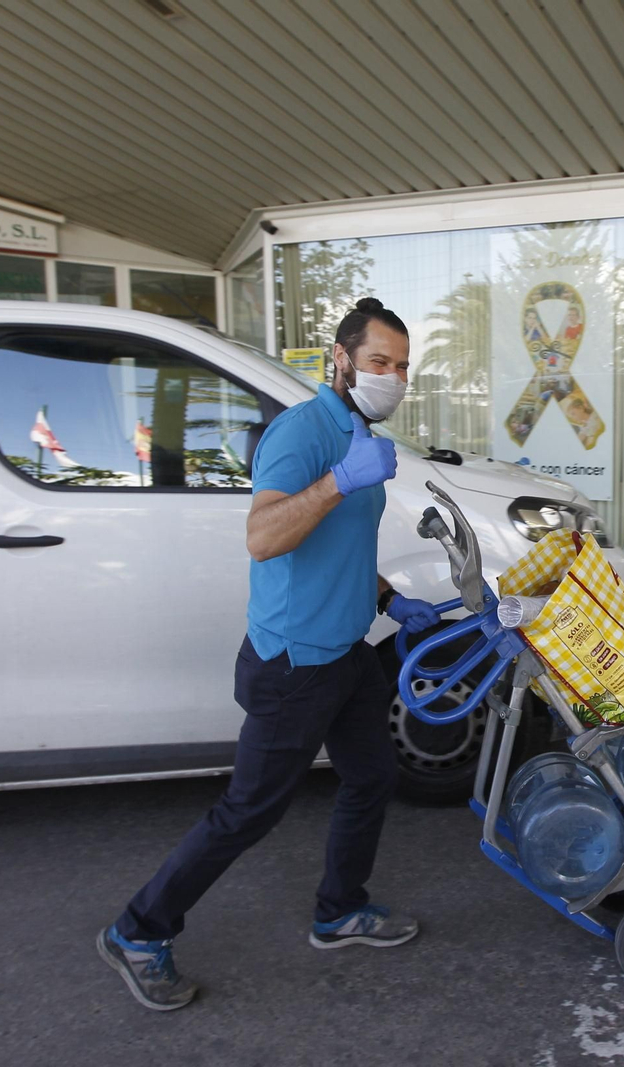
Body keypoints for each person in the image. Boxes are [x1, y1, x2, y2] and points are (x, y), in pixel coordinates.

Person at [98, 297, 442, 1011]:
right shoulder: (302, 432)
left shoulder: (356, 432)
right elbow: (263, 536)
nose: (393, 378)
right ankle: (138, 930)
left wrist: (388, 597)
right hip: (295, 664)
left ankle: (340, 909)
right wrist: (338, 480)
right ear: (341, 359)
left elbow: (338, 548)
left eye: (403, 366)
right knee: (248, 811)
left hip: (345, 650)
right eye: (379, 362)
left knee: (371, 776)